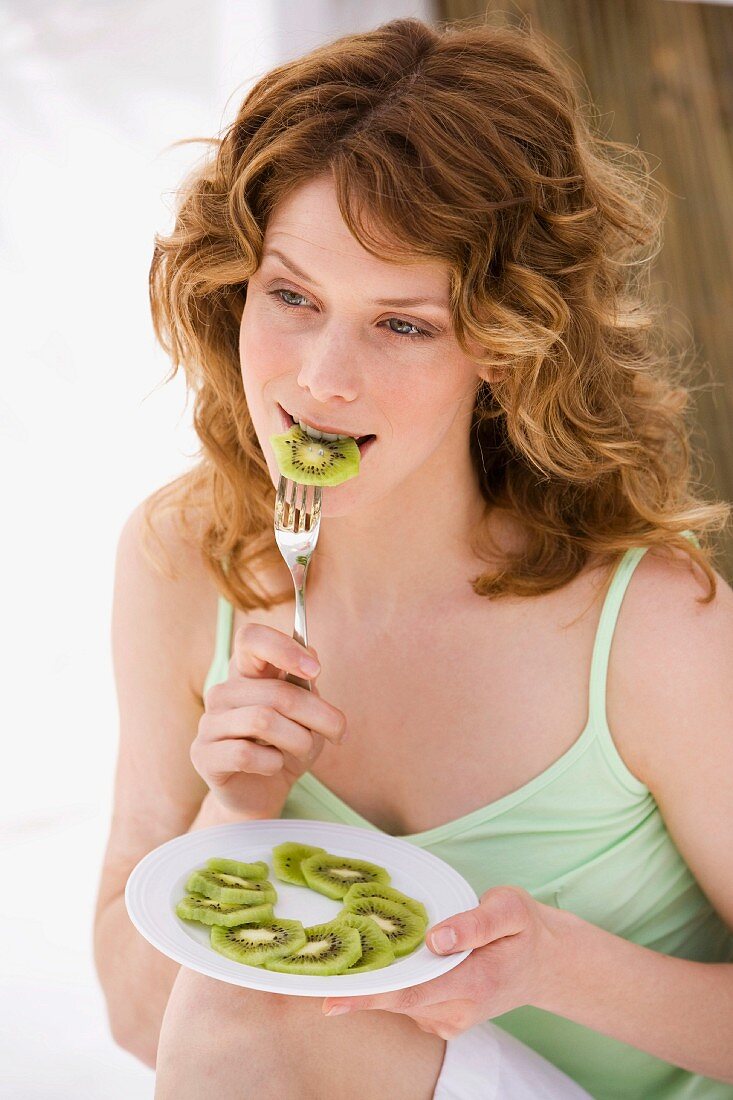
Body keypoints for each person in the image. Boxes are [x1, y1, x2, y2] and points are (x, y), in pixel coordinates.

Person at [93, 15, 733, 1100]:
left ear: (504, 342)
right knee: (250, 1005)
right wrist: (236, 810)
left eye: (403, 325)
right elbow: (146, 1021)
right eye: (290, 295)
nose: (323, 378)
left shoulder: (654, 627)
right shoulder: (181, 560)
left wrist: (557, 963)